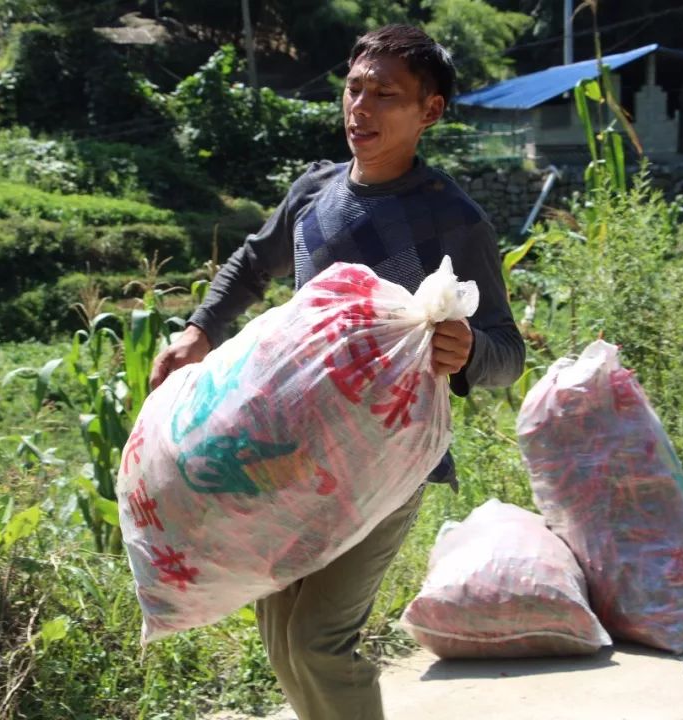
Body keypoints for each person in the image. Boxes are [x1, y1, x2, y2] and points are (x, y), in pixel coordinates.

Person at [149, 24, 525, 720]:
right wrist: (201, 328)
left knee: (321, 640)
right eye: (354, 89)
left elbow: (508, 351)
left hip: (389, 461)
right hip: (290, 455)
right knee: (281, 638)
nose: (361, 109)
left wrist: (469, 349)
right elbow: (251, 263)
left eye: (386, 95)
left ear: (429, 112)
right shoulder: (314, 194)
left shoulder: (451, 219)